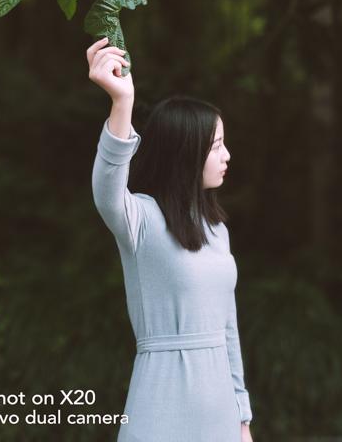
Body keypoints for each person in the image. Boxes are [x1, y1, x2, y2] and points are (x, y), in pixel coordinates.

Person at [87, 36, 254, 442]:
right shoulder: (140, 218)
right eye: (216, 146)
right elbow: (107, 189)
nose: (227, 155)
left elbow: (228, 329)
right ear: (186, 153)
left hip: (221, 417)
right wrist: (121, 102)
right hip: (159, 410)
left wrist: (243, 419)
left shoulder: (218, 231)